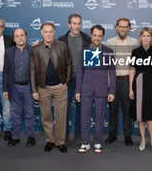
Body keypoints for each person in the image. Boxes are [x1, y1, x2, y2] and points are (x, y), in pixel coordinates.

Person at [30, 22, 72, 153]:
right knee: (46, 116)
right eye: (45, 32)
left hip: (60, 86)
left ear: (54, 32)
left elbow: (69, 64)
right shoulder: (36, 49)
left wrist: (66, 82)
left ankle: (60, 142)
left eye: (50, 31)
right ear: (41, 33)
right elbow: (32, 70)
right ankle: (50, 141)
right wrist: (34, 90)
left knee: (61, 116)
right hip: (43, 88)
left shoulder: (62, 45)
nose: (48, 34)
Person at [75, 24, 116, 153]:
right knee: (85, 117)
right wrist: (77, 90)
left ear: (103, 36)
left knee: (100, 117)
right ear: (91, 36)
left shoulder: (108, 51)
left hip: (102, 89)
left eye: (99, 35)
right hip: (86, 89)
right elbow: (80, 72)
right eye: (95, 35)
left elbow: (112, 72)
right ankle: (85, 142)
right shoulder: (84, 50)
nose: (97, 38)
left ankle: (98, 142)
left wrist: (112, 91)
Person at [58, 14, 91, 145]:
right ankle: (64, 135)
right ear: (69, 25)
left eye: (79, 23)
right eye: (74, 23)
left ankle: (78, 134)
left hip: (82, 80)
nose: (77, 26)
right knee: (64, 109)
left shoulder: (87, 39)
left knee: (81, 109)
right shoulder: (61, 40)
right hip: (66, 80)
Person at [105, 18, 139, 146]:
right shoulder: (109, 42)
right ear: (116, 27)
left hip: (127, 81)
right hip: (113, 81)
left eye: (126, 27)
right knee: (113, 111)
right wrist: (108, 84)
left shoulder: (135, 43)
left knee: (127, 111)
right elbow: (106, 65)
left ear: (129, 28)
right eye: (121, 26)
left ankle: (127, 136)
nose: (123, 29)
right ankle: (112, 135)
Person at [129, 27, 152, 153]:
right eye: (144, 35)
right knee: (140, 115)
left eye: (148, 36)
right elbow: (132, 70)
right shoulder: (135, 52)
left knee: (150, 115)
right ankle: (143, 139)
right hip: (138, 83)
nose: (146, 38)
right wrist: (131, 88)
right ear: (140, 37)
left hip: (151, 84)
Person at [2, 28, 35, 147]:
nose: (20, 37)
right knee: (15, 114)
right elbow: (5, 71)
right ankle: (15, 136)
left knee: (29, 113)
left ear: (26, 37)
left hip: (28, 87)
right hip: (13, 87)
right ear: (14, 39)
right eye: (17, 36)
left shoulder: (33, 50)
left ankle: (31, 136)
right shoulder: (8, 52)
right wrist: (5, 88)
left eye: (22, 35)